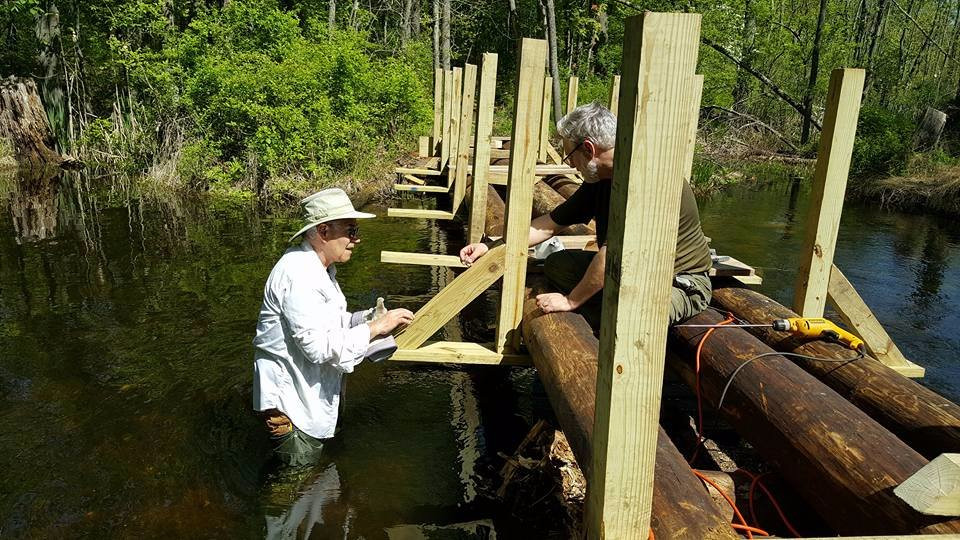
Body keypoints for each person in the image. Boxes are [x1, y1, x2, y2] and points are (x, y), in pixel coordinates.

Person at [459, 103, 712, 330]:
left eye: (570, 155)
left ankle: (601, 328)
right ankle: (600, 312)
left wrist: (570, 301)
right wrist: (490, 245)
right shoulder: (601, 180)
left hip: (675, 282)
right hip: (624, 272)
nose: (570, 166)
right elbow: (548, 225)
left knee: (635, 316)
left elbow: (612, 254)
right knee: (558, 263)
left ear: (589, 148)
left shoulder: (647, 180)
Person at [253, 188, 414, 467]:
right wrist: (375, 328)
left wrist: (367, 319)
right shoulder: (299, 275)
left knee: (311, 486)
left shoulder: (320, 269)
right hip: (293, 409)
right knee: (292, 491)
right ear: (324, 231)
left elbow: (330, 324)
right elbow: (317, 348)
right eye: (351, 230)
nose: (357, 238)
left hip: (308, 399)